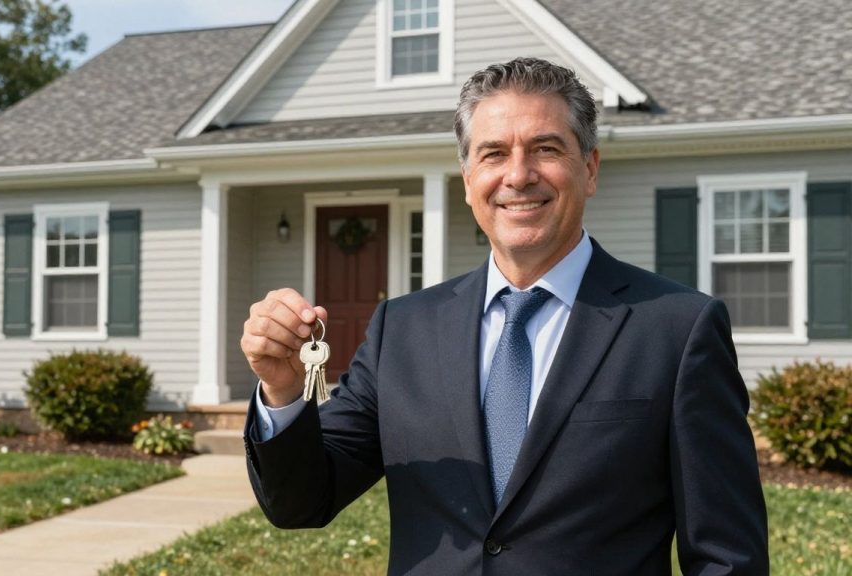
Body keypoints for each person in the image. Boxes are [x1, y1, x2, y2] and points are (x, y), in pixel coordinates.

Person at [239, 58, 768, 575]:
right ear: (468, 179)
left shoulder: (677, 329)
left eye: (546, 148)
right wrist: (283, 393)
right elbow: (301, 503)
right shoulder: (401, 330)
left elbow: (727, 556)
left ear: (589, 168)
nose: (519, 175)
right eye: (494, 153)